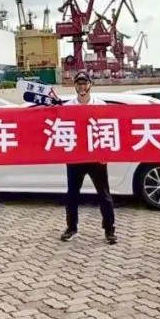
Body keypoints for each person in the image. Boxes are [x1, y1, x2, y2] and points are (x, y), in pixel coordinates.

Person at [60, 71, 117, 244]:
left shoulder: (100, 105)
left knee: (104, 195)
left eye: (85, 83)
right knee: (72, 196)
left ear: (90, 84)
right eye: (79, 84)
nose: (82, 87)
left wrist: (105, 154)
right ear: (75, 86)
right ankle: (71, 228)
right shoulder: (67, 107)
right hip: (76, 158)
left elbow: (108, 129)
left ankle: (109, 230)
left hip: (96, 158)